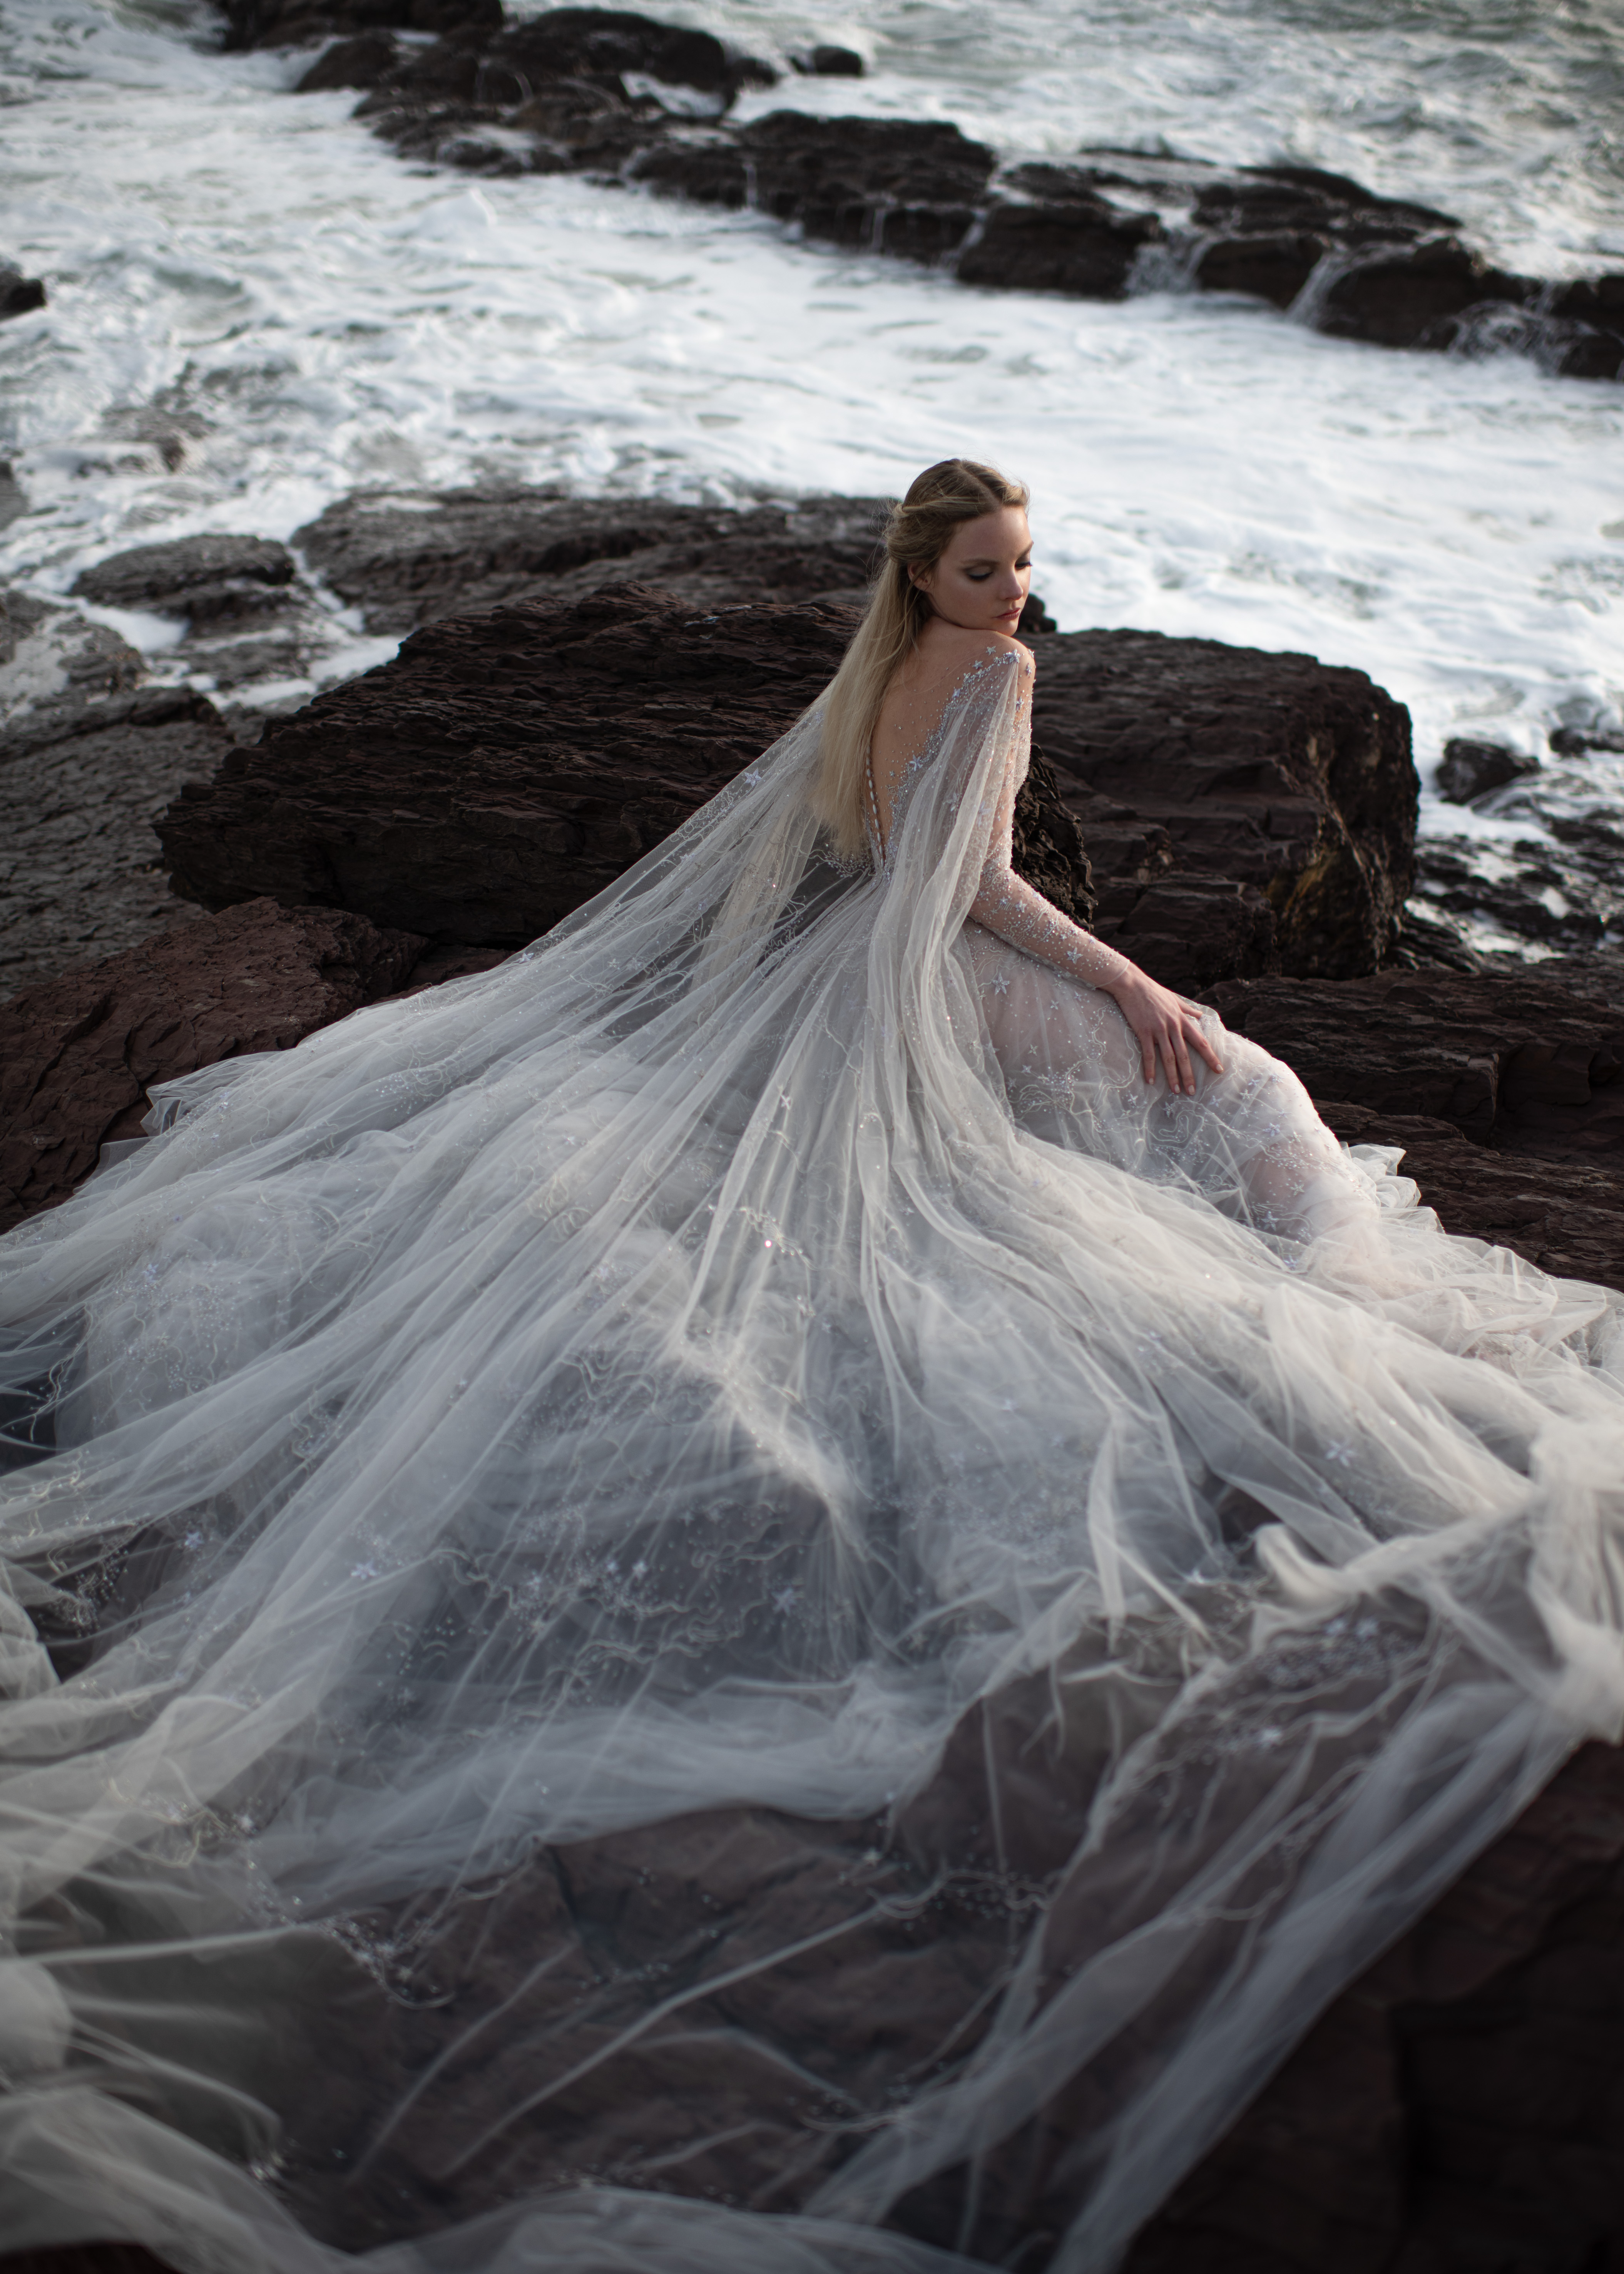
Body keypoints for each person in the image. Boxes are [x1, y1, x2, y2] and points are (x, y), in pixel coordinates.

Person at [0, 458, 1619, 2274]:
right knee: (1242, 1085)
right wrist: (1146, 989)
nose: (1014, 592)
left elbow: (866, 859)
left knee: (1173, 1094)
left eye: (1021, 565)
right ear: (925, 574)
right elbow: (987, 890)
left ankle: (1246, 1214)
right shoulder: (995, 677)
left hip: (855, 969)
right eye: (985, 567)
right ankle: (1340, 1295)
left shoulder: (873, 667)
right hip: (940, 975)